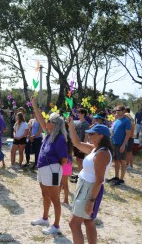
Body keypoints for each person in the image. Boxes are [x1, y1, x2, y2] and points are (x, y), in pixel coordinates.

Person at [67, 122, 113, 244]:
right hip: (85, 186)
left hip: (90, 189)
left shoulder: (102, 153)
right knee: (88, 221)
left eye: (92, 134)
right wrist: (71, 126)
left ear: (101, 136)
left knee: (73, 224)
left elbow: (99, 179)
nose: (89, 136)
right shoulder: (96, 149)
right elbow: (76, 143)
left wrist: (91, 201)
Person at [30, 96, 68, 235]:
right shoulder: (48, 134)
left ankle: (56, 225)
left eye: (49, 121)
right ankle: (45, 218)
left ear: (55, 124)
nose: (46, 122)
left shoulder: (59, 139)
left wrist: (57, 174)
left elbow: (64, 160)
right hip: (43, 169)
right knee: (45, 195)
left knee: (55, 198)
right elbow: (40, 119)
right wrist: (34, 104)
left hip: (52, 171)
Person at [107, 105, 131, 186]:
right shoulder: (117, 120)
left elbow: (128, 134)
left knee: (122, 161)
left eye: (120, 111)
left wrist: (123, 145)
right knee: (116, 160)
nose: (118, 112)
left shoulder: (127, 121)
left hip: (121, 144)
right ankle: (116, 177)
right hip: (114, 143)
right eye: (117, 111)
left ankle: (121, 179)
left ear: (124, 111)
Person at [70, 108, 90, 183]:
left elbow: (86, 136)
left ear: (83, 114)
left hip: (80, 145)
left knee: (80, 160)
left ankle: (81, 177)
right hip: (74, 144)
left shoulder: (86, 124)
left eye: (79, 113)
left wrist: (83, 147)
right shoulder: (76, 122)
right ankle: (78, 174)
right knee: (74, 159)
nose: (77, 114)